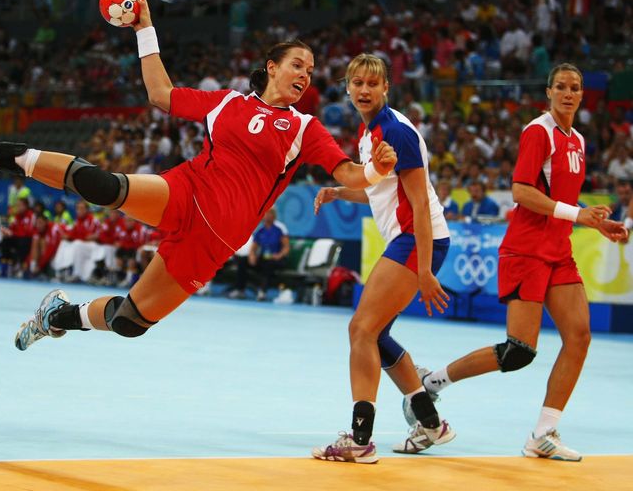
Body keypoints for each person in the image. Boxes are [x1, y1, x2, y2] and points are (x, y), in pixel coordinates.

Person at [0, 0, 397, 361]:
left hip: (215, 242)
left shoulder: (304, 127)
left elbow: (349, 174)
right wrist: (144, 27)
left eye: (311, 71)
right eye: (298, 64)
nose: (305, 75)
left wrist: (376, 168)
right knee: (106, 186)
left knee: (129, 321)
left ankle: (57, 315)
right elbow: (161, 94)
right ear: (273, 66)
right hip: (187, 192)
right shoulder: (227, 102)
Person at [413, 64, 629, 461]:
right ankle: (432, 383)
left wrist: (593, 221)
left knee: (579, 337)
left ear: (583, 94)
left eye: (575, 87)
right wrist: (577, 214)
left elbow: (560, 198)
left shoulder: (578, 140)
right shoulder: (538, 131)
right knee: (519, 352)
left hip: (559, 251)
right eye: (561, 86)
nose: (568, 93)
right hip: (526, 250)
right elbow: (521, 191)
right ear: (548, 92)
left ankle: (543, 434)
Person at [311, 53, 454, 464]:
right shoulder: (370, 130)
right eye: (357, 83)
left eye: (372, 83)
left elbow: (419, 204)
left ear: (386, 88)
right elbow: (379, 190)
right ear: (348, 88)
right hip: (409, 240)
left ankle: (360, 440)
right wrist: (340, 192)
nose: (364, 90)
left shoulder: (396, 132)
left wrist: (424, 270)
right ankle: (431, 423)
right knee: (376, 335)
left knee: (361, 329)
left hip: (417, 240)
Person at [228, 207, 290, 301]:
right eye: (265, 213)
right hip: (264, 258)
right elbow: (253, 247)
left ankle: (262, 292)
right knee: (242, 261)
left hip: (278, 259)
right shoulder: (260, 230)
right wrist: (252, 256)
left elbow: (286, 247)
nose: (267, 215)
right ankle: (240, 290)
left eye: (269, 213)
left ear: (274, 215)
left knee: (268, 264)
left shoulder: (280, 228)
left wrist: (279, 255)